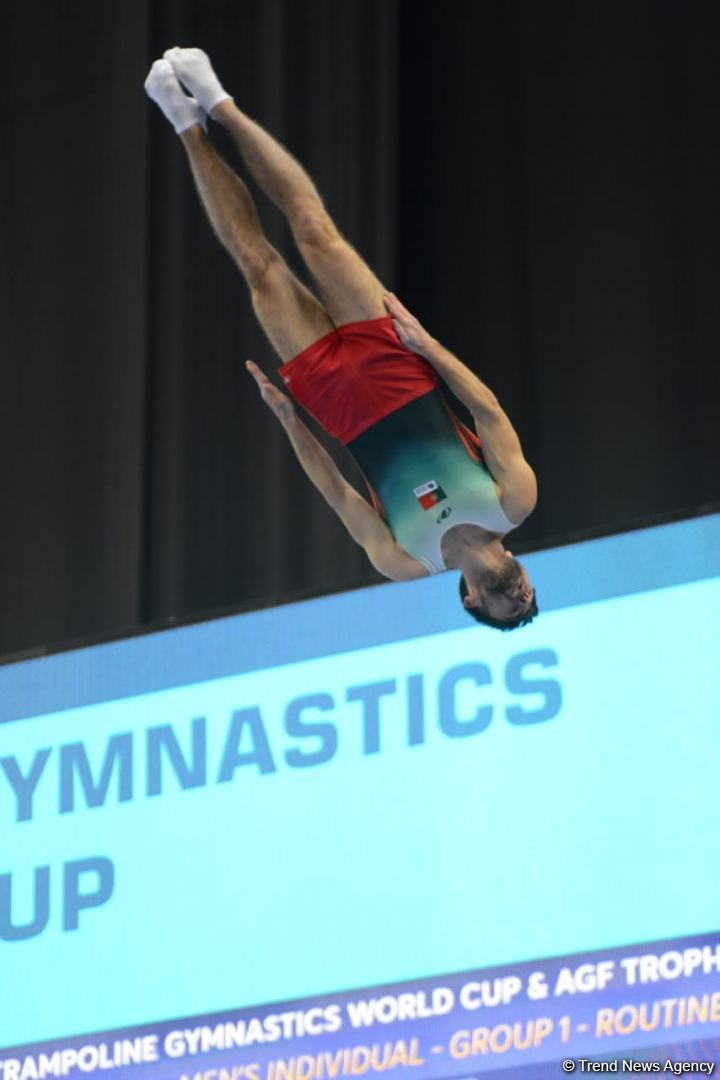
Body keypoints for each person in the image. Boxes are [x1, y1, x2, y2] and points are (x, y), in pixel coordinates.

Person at [144, 48, 538, 630]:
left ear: (471, 602)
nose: (521, 600)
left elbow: (337, 493)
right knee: (314, 230)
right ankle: (220, 104)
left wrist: (288, 419)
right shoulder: (515, 501)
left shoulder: (405, 561)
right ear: (526, 576)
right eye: (529, 599)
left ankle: (184, 124)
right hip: (402, 370)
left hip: (337, 407)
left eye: (511, 613)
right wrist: (425, 345)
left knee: (258, 264)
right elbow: (486, 407)